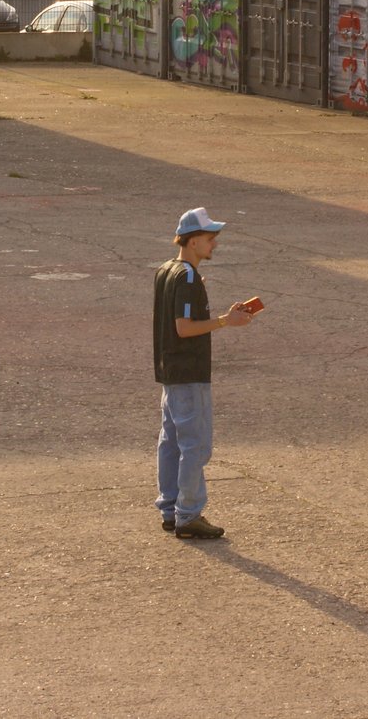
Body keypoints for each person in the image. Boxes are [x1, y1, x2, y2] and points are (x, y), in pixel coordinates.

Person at [153, 207, 258, 540]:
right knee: (195, 446)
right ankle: (188, 515)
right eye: (210, 239)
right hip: (189, 372)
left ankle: (171, 509)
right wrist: (228, 321)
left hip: (170, 370)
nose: (215, 245)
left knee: (170, 443)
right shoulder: (186, 276)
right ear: (194, 240)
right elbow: (184, 328)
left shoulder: (167, 270)